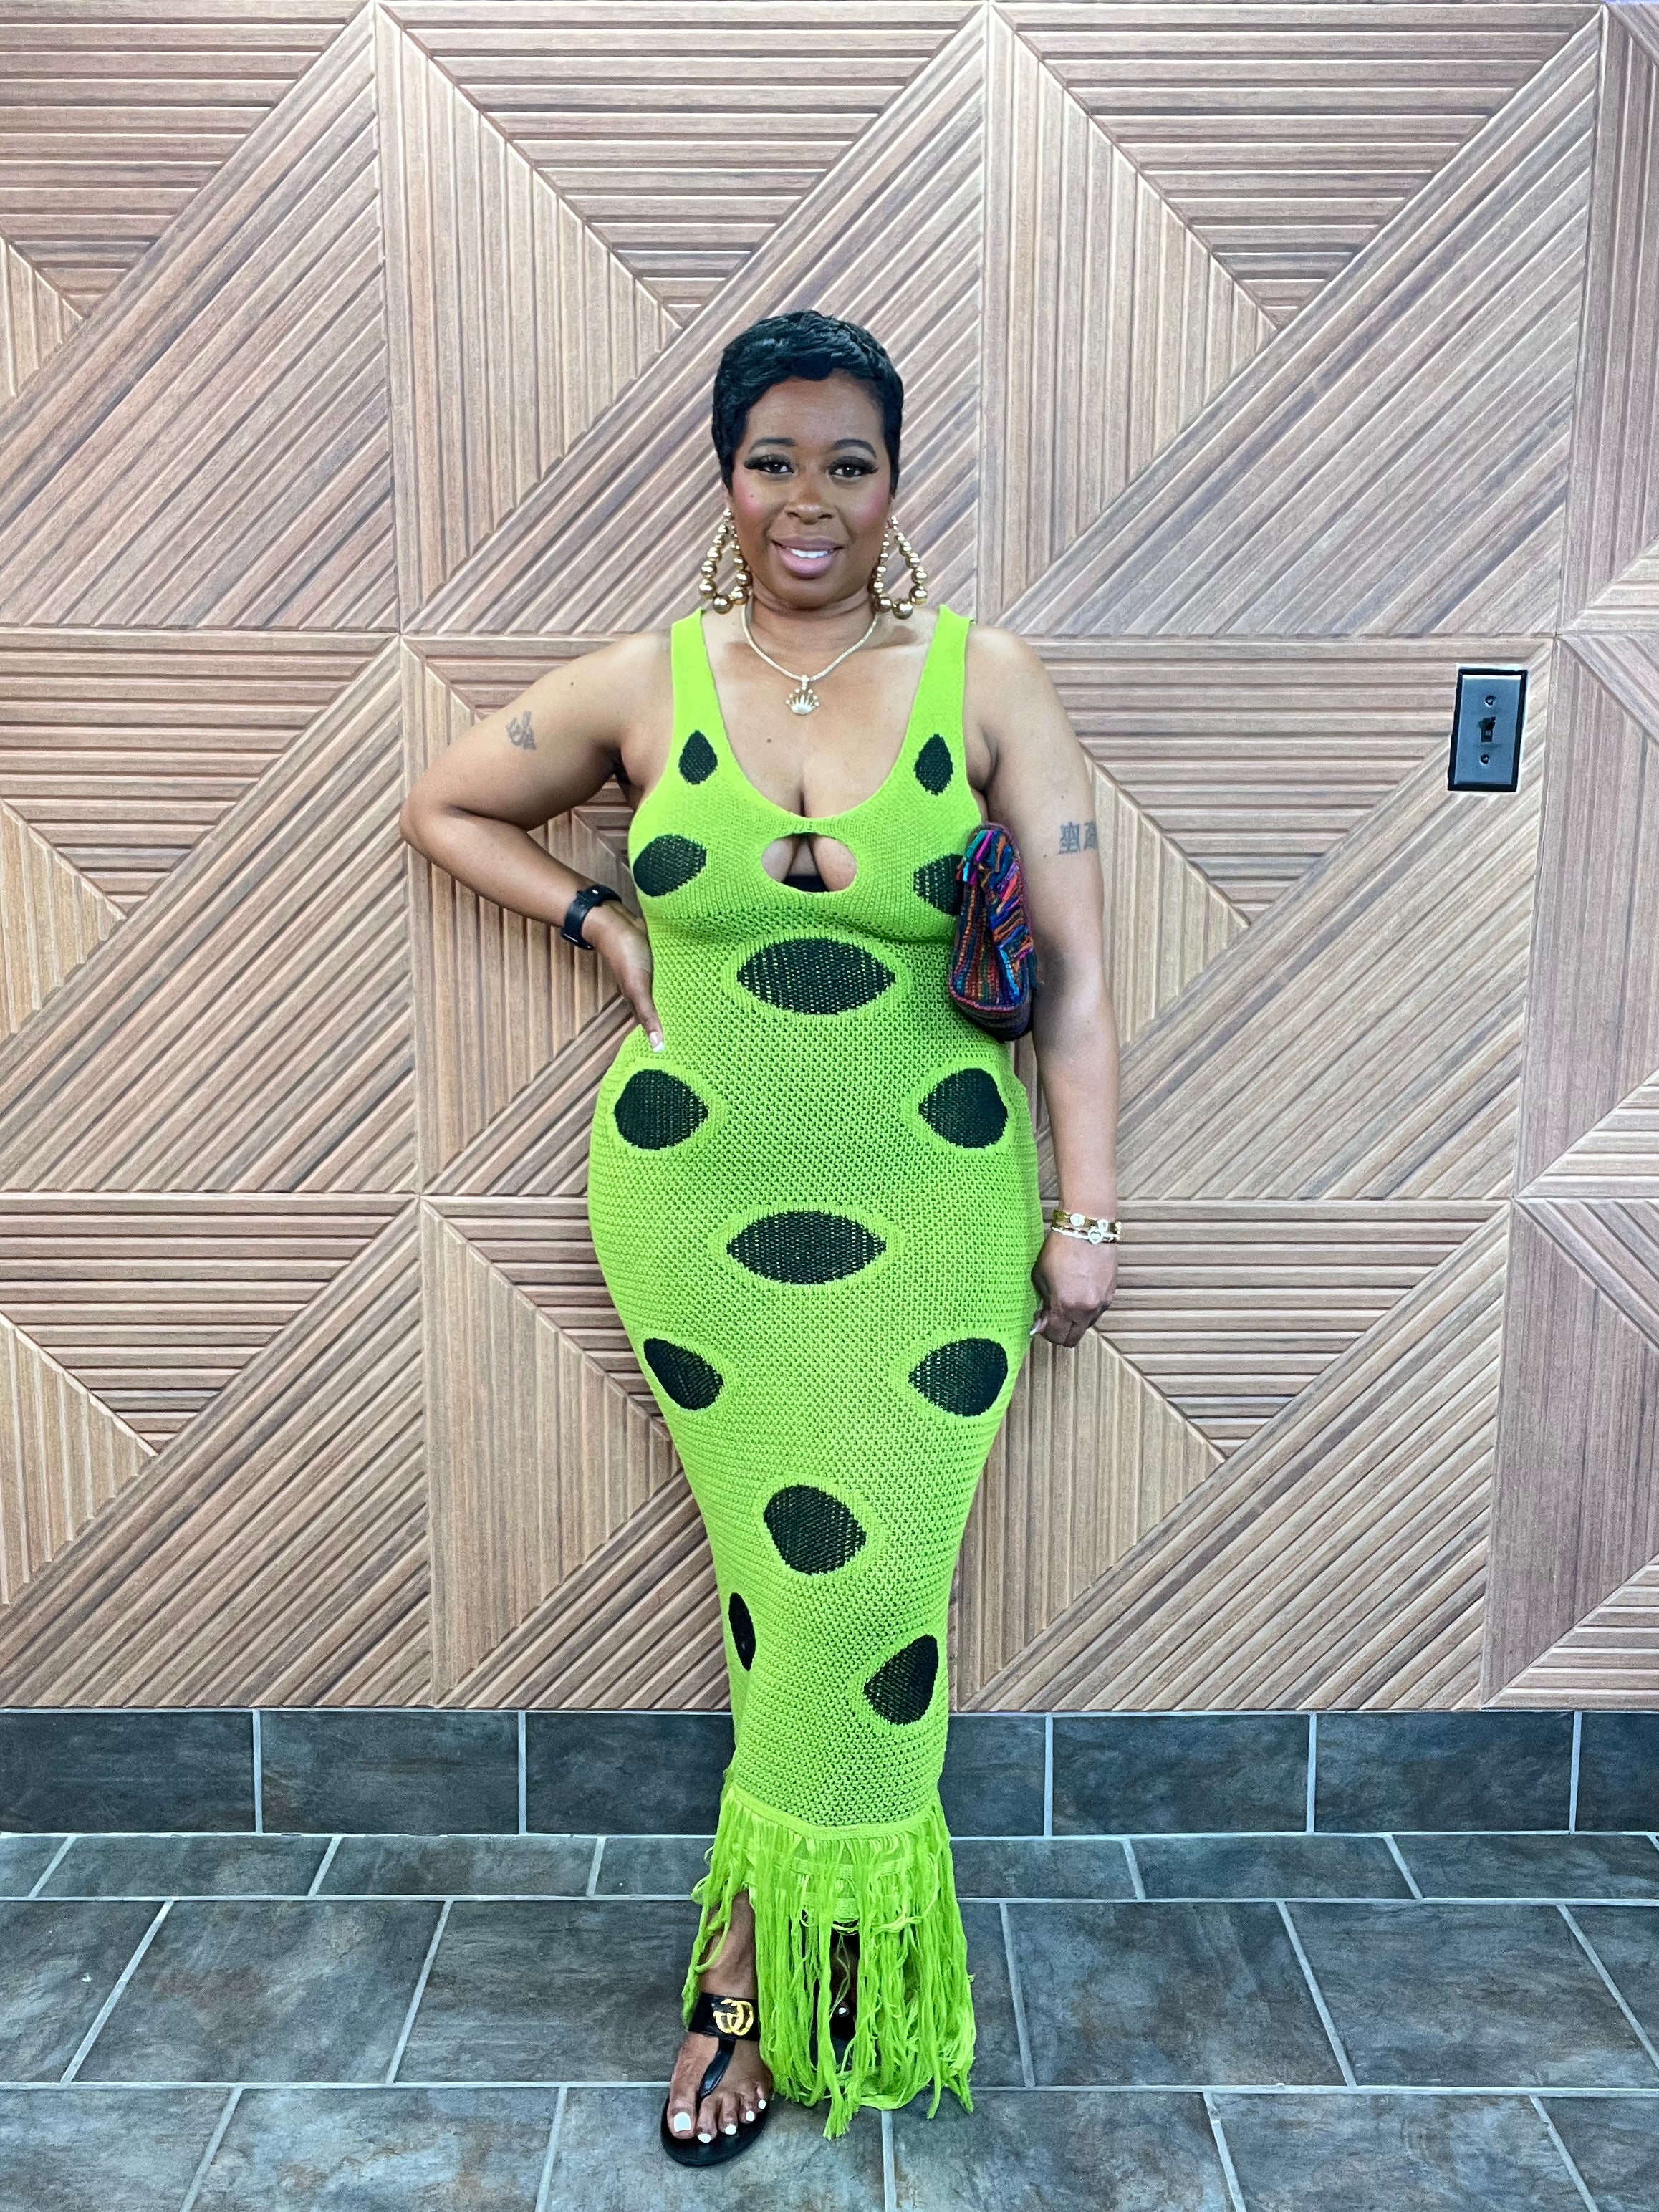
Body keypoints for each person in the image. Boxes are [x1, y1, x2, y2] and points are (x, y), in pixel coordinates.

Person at [399, 309, 1120, 2163]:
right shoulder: (649, 683)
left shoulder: (987, 679)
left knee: (865, 1591)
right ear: (727, 478)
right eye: (773, 460)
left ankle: (759, 1962)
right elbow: (446, 802)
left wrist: (1086, 1214)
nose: (811, 501)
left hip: (939, 1207)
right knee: (785, 1586)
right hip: (696, 1208)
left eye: (848, 464)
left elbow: (1076, 981)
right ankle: (792, 1957)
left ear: (895, 482)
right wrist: (604, 927)